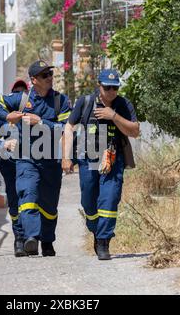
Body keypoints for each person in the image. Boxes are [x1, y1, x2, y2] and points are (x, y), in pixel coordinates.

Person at [0, 60, 71, 257]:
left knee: (49, 206)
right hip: (26, 159)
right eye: (45, 75)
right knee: (27, 195)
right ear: (33, 80)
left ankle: (47, 241)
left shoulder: (61, 101)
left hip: (51, 161)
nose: (50, 78)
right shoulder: (21, 100)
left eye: (50, 74)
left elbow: (66, 130)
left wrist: (40, 121)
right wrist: (7, 117)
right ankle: (31, 237)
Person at [62, 69, 140, 260]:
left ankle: (104, 241)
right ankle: (96, 230)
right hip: (88, 157)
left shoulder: (123, 104)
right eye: (107, 87)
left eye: (115, 88)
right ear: (99, 85)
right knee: (88, 202)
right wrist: (66, 157)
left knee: (110, 198)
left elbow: (135, 131)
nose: (112, 91)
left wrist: (113, 116)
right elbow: (69, 127)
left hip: (113, 159)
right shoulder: (85, 102)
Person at [0, 79, 29, 257]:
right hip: (9, 166)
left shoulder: (31, 117)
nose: (18, 97)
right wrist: (4, 144)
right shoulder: (2, 119)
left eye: (22, 93)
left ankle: (30, 236)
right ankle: (19, 238)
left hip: (29, 166)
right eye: (15, 93)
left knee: (28, 199)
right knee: (14, 202)